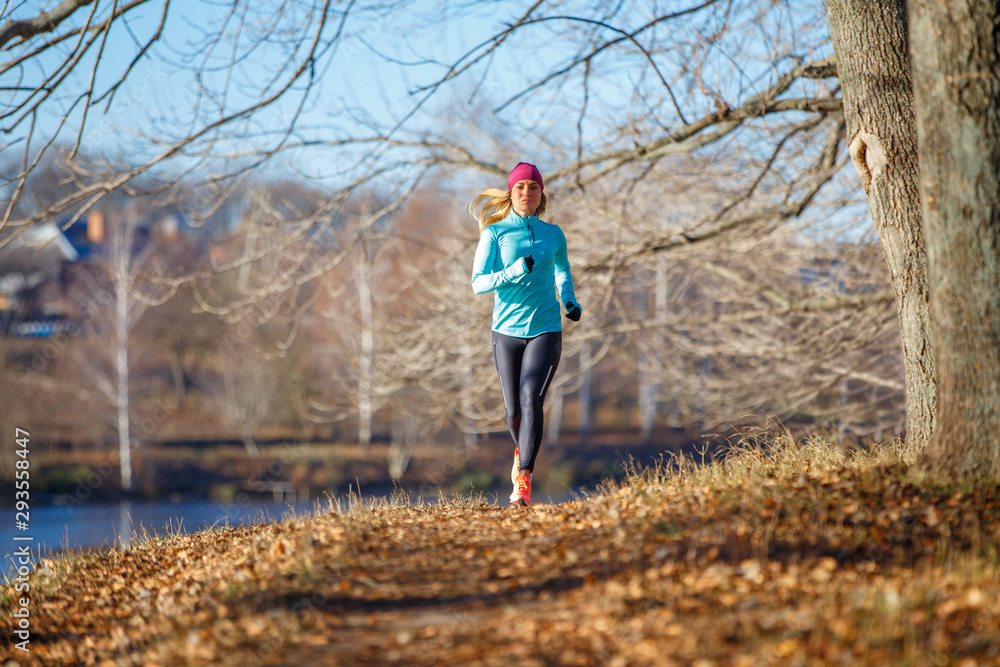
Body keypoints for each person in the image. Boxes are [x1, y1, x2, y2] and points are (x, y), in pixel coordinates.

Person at [470, 162, 582, 507]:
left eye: (533, 187)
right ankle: (522, 452)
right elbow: (478, 283)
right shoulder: (495, 233)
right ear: (510, 192)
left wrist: (569, 299)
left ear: (541, 195)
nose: (526, 193)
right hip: (505, 332)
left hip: (545, 328)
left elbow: (562, 270)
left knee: (531, 398)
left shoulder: (554, 234)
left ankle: (524, 482)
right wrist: (514, 271)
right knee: (512, 411)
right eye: (520, 187)